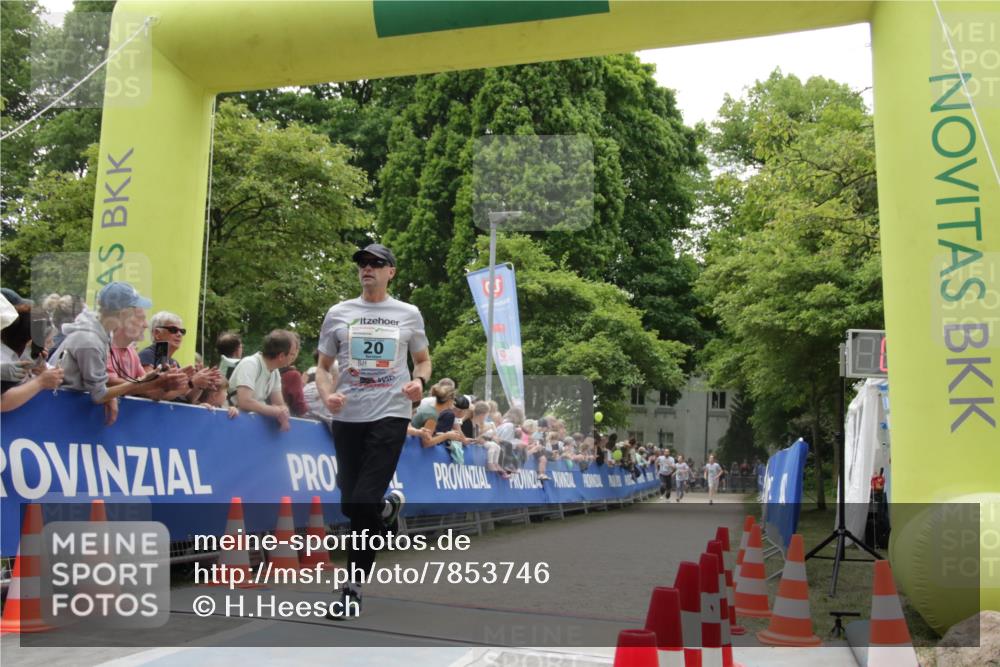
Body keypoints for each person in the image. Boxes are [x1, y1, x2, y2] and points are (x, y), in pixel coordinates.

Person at [315, 243, 430, 620]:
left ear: (390, 272)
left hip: (391, 413)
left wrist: (419, 383)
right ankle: (385, 509)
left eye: (376, 263)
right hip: (348, 416)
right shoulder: (338, 313)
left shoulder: (408, 314)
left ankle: (352, 589)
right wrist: (327, 394)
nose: (367, 268)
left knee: (360, 501)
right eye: (363, 263)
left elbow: (423, 361)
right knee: (351, 504)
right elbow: (322, 366)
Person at [55, 282, 186, 425]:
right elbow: (99, 395)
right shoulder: (90, 340)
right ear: (123, 313)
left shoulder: (99, 332)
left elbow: (102, 388)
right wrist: (144, 382)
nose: (145, 324)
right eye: (136, 312)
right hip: (59, 412)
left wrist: (145, 382)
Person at [139, 311, 222, 404]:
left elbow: (187, 399)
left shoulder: (173, 362)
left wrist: (199, 384)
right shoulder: (147, 355)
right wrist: (191, 383)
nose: (179, 334)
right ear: (157, 334)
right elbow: (150, 393)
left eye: (182, 331)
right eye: (173, 330)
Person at [228, 329, 298, 431]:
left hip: (249, 424)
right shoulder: (250, 363)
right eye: (292, 354)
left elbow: (279, 404)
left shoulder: (275, 372)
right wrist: (275, 411)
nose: (294, 358)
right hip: (233, 420)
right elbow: (244, 401)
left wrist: (283, 412)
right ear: (281, 356)